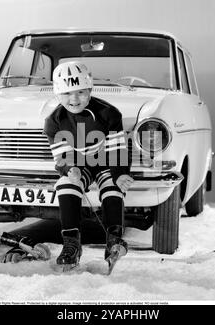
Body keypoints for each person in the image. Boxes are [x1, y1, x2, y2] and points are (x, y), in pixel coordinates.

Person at [43, 61, 134, 269]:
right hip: (79, 164)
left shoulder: (109, 114)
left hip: (104, 162)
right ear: (57, 94)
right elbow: (61, 156)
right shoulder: (54, 121)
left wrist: (120, 173)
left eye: (81, 92)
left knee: (113, 186)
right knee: (66, 185)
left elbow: (117, 149)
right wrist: (70, 169)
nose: (74, 99)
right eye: (67, 94)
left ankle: (113, 238)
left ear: (90, 90)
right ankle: (71, 243)